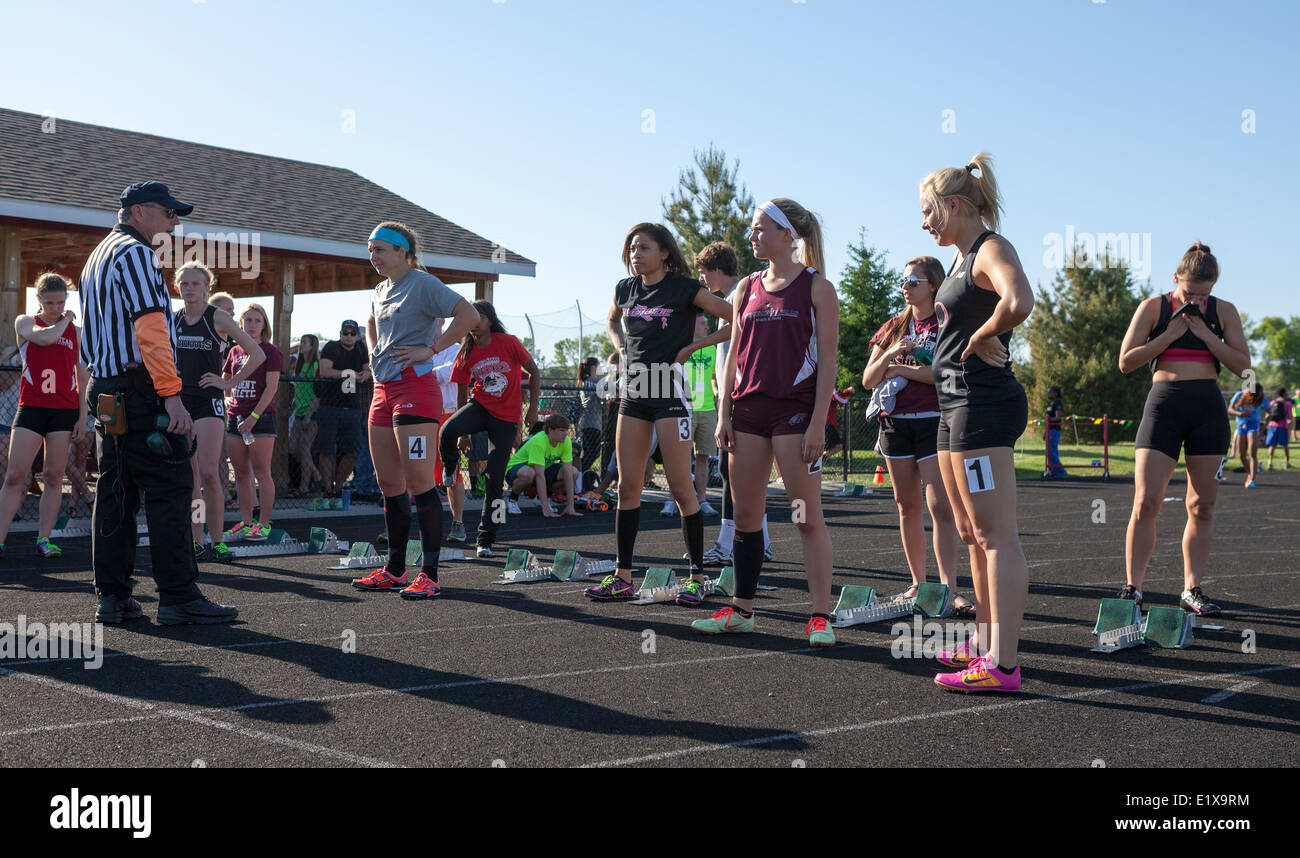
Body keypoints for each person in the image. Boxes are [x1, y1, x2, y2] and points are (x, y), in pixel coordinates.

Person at [79, 181, 235, 624]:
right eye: (169, 212)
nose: (175, 221)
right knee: (170, 489)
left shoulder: (98, 254)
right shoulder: (136, 254)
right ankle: (179, 596)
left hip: (108, 388)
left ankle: (113, 595)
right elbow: (150, 329)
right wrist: (173, 397)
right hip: (141, 388)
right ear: (141, 211)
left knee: (115, 491)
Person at [692, 199, 837, 642]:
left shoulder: (817, 288)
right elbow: (733, 355)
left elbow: (828, 361)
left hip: (794, 414)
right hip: (747, 413)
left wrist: (817, 424)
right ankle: (742, 608)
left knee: (805, 517)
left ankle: (819, 617)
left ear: (787, 234)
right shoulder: (746, 288)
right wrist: (724, 414)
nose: (752, 235)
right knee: (747, 515)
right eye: (753, 229)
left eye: (760, 229)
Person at [918, 154, 1034, 693]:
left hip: (982, 406)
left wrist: (986, 332)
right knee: (969, 532)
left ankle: (1003, 666)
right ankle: (985, 643)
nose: (925, 223)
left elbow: (1020, 300)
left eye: (929, 212)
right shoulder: (964, 258)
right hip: (953, 405)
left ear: (956, 205)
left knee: (994, 536)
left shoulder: (991, 249)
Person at [584, 222, 733, 606]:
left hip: (670, 393)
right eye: (632, 247)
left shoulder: (685, 288)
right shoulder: (625, 288)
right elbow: (612, 320)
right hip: (634, 394)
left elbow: (736, 318)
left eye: (644, 247)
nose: (636, 253)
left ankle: (697, 577)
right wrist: (619, 347)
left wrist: (694, 346)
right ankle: (622, 576)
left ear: (665, 252)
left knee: (682, 488)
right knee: (627, 486)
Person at [1118, 241, 1249, 618]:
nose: (1194, 299)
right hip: (1164, 406)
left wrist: (1209, 337)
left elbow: (1244, 367)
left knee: (1202, 505)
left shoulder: (1223, 312)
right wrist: (1169, 336)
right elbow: (1126, 362)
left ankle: (1192, 588)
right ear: (1175, 279)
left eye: (1203, 293)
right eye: (1188, 291)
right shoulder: (1153, 308)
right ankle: (1134, 588)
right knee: (1146, 502)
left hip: (1207, 408)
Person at [349, 221, 478, 599]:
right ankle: (394, 569)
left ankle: (431, 574)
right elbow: (372, 321)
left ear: (402, 251)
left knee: (421, 482)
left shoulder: (422, 283)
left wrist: (431, 349)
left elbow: (468, 315)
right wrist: (375, 353)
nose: (373, 256)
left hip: (416, 390)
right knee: (389, 484)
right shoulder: (379, 290)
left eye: (380, 249)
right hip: (382, 389)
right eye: (370, 249)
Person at [860, 257, 970, 616]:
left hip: (935, 420)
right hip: (895, 424)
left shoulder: (947, 322)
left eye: (914, 281)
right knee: (907, 505)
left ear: (934, 285)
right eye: (903, 281)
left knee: (940, 506)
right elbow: (868, 379)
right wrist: (892, 354)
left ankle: (949, 589)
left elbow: (942, 374)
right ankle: (918, 584)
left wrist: (897, 368)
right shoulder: (894, 325)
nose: (906, 287)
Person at [173, 262, 264, 561]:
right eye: (184, 284)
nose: (189, 288)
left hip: (208, 402)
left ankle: (218, 540)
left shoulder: (218, 317)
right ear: (177, 287)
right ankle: (196, 540)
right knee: (192, 476)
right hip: (179, 401)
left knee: (210, 473)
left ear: (206, 288)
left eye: (195, 284)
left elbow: (257, 353)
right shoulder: (173, 319)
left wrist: (230, 382)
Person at [693, 242, 772, 567]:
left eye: (702, 270)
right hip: (735, 395)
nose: (701, 277)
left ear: (715, 268)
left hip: (744, 397)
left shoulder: (739, 292)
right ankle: (761, 541)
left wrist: (697, 343)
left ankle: (728, 544)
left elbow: (735, 334)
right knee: (738, 474)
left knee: (733, 473)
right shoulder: (733, 297)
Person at [0, 274, 89, 559]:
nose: (55, 307)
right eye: (49, 302)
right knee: (15, 475)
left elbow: (83, 375)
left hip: (63, 410)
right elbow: (46, 337)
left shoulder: (76, 331)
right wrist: (65, 320)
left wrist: (82, 416)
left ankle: (44, 538)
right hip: (32, 408)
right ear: (38, 299)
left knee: (53, 476)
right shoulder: (26, 322)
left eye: (61, 302)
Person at [439, 301, 536, 558]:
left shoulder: (508, 341)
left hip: (506, 419)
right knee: (447, 431)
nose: (473, 322)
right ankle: (450, 468)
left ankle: (486, 540)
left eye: (478, 317)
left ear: (489, 321)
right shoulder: (466, 350)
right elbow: (461, 391)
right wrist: (463, 434)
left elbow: (534, 372)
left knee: (494, 480)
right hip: (480, 406)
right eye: (469, 318)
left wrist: (534, 410)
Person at [220, 304, 281, 542]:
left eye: (257, 320)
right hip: (235, 419)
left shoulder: (271, 351)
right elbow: (226, 382)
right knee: (242, 474)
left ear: (264, 325)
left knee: (262, 473)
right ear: (241, 323)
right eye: (248, 320)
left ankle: (263, 524)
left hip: (261, 419)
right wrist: (228, 403)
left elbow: (271, 388)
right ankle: (246, 523)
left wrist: (254, 418)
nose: (252, 325)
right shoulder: (234, 351)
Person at [315, 320, 371, 506]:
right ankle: (327, 490)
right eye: (345, 332)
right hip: (329, 405)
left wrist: (366, 374)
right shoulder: (331, 347)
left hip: (352, 408)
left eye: (352, 333)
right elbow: (325, 370)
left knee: (353, 450)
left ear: (357, 335)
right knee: (326, 450)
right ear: (340, 333)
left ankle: (338, 488)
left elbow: (366, 370)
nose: (348, 336)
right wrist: (351, 374)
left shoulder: (360, 349)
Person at [429, 317, 467, 542]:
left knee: (451, 471)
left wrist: (419, 370)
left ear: (442, 321)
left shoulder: (456, 349)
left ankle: (458, 524)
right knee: (415, 470)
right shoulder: (416, 348)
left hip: (447, 415)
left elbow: (441, 374)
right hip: (422, 415)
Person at [504, 414, 583, 516]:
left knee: (573, 473)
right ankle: (512, 500)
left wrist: (570, 507)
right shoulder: (539, 442)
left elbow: (568, 473)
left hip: (541, 469)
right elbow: (539, 476)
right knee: (529, 473)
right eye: (561, 430)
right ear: (550, 430)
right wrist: (545, 509)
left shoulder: (566, 441)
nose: (566, 433)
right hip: (516, 470)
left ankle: (541, 498)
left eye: (566, 430)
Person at [681, 313, 720, 517]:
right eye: (703, 323)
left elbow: (714, 378)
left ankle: (702, 500)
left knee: (702, 457)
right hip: (685, 409)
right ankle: (674, 501)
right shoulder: (680, 346)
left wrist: (717, 396)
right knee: (680, 458)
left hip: (707, 410)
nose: (707, 327)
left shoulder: (712, 348)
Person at [287, 334, 322, 497]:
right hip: (298, 411)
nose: (301, 345)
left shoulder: (316, 366)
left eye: (304, 343)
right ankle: (316, 474)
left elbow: (317, 394)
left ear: (313, 346)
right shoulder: (299, 366)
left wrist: (308, 415)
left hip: (311, 413)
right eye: (300, 342)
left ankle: (304, 488)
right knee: (293, 448)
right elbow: (298, 390)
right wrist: (291, 407)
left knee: (305, 449)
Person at [1228, 381, 1263, 487]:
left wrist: (1264, 427)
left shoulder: (1261, 398)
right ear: (1247, 390)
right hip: (1241, 426)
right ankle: (1250, 473)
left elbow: (1269, 411)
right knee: (1241, 455)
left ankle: (1252, 479)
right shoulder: (1239, 395)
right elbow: (1229, 409)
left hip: (1254, 426)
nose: (1253, 397)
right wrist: (1240, 413)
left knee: (1252, 453)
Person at [577, 356, 604, 474]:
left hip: (588, 422)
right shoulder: (593, 381)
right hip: (591, 423)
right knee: (593, 453)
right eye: (599, 366)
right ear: (594, 367)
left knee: (590, 453)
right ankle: (578, 475)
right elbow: (614, 389)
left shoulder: (587, 382)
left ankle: (580, 477)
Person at [1264, 387, 1292, 470]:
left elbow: (1267, 415)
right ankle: (1286, 463)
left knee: (1272, 445)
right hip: (1283, 426)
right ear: (1284, 394)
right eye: (1287, 391)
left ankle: (1270, 462)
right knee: (1285, 445)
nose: (1288, 393)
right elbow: (1289, 417)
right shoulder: (1287, 404)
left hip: (1272, 425)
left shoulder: (1272, 402)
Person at [1044, 385, 1065, 478]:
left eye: (1050, 392)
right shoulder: (1051, 404)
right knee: (1049, 451)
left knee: (1052, 451)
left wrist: (1048, 420)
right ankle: (1052, 470)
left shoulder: (1057, 403)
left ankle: (1060, 471)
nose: (1048, 394)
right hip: (1049, 429)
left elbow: (1058, 417)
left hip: (1054, 430)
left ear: (1055, 393)